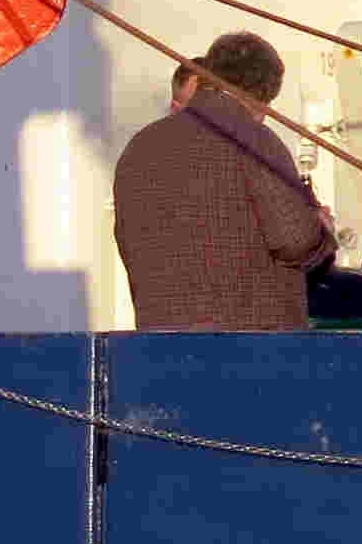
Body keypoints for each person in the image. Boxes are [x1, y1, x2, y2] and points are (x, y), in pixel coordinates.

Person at [111, 30, 334, 330]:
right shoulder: (254, 138)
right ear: (266, 94)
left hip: (158, 345)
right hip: (247, 352)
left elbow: (125, 239)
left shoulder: (140, 146)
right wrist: (321, 227)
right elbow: (295, 240)